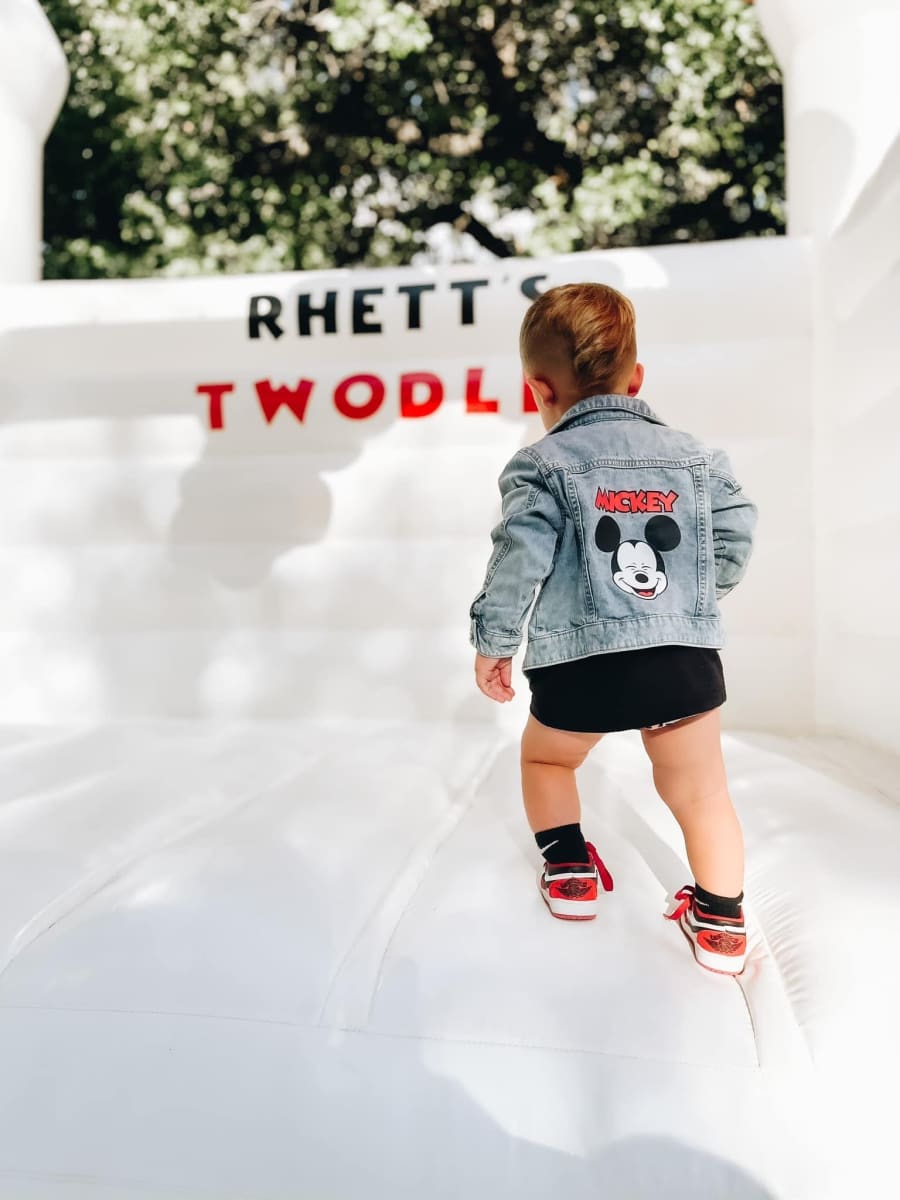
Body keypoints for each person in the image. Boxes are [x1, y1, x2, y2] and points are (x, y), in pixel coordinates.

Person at [469, 283, 757, 975]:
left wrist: (494, 641)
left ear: (538, 389)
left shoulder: (541, 464)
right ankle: (721, 922)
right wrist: (688, 599)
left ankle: (570, 872)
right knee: (702, 792)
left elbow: (520, 558)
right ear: (637, 378)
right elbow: (737, 533)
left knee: (547, 760)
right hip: (680, 661)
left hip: (580, 665)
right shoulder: (697, 457)